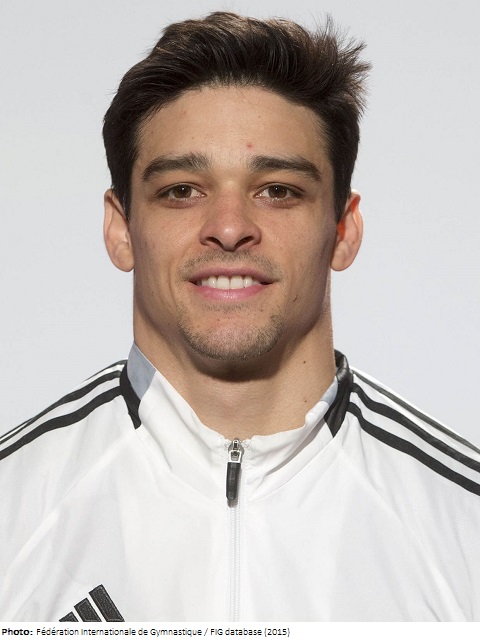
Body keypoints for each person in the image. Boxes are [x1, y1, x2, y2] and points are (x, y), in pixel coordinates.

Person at [1, 11, 479, 623]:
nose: (229, 228)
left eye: (278, 190)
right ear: (120, 230)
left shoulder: (464, 525)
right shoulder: (15, 511)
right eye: (181, 190)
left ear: (343, 229)